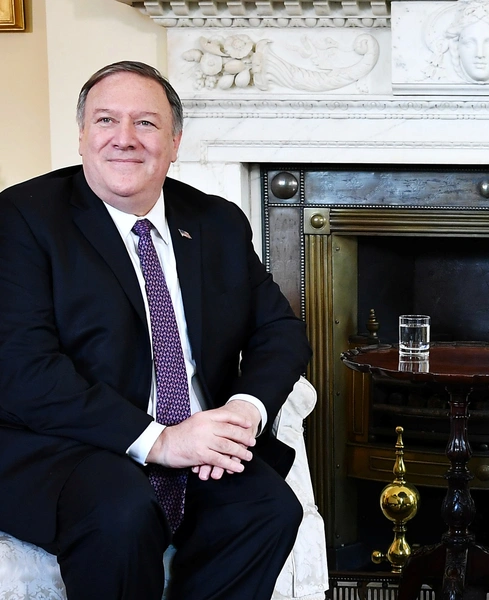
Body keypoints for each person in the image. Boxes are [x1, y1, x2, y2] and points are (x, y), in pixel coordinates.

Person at [0, 61, 312, 600]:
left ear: (174, 142)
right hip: (63, 444)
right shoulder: (22, 218)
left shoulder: (217, 221)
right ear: (81, 136)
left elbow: (279, 330)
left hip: (196, 438)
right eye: (105, 121)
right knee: (120, 509)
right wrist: (160, 441)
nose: (124, 139)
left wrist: (243, 411)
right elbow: (24, 370)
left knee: (268, 509)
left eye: (146, 123)